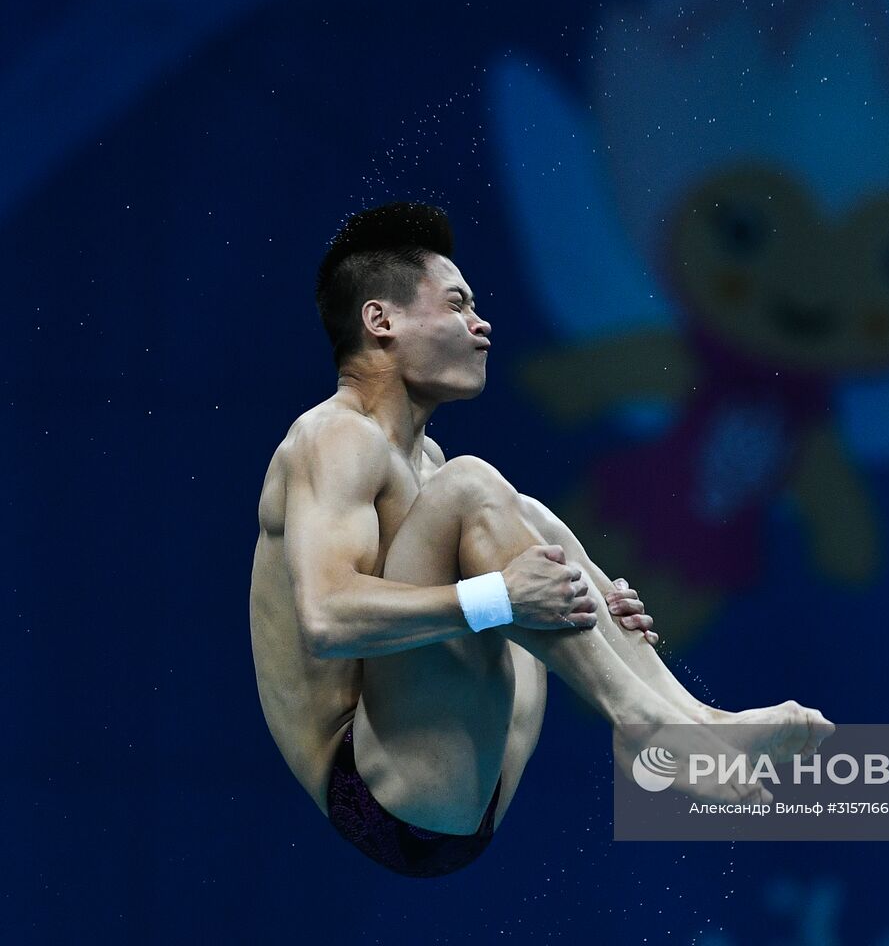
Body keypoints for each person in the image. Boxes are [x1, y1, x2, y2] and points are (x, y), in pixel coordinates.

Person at [250, 202, 834, 878]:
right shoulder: (333, 436)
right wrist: (502, 597)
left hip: (462, 781)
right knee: (478, 494)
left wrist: (590, 599)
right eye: (458, 304)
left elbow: (503, 582)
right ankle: (640, 720)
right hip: (372, 781)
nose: (482, 324)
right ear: (380, 321)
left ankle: (688, 714)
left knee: (524, 516)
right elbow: (326, 620)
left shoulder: (426, 462)